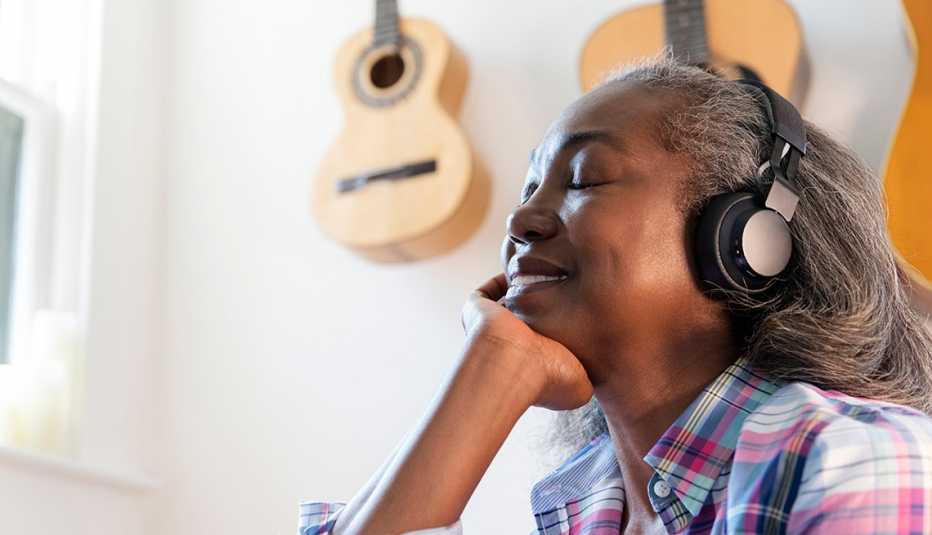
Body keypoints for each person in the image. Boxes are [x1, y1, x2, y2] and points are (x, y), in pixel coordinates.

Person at [298, 55, 932, 535]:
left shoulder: (857, 459)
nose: (521, 222)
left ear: (744, 239)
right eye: (526, 189)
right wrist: (482, 381)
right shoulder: (589, 505)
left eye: (583, 178)